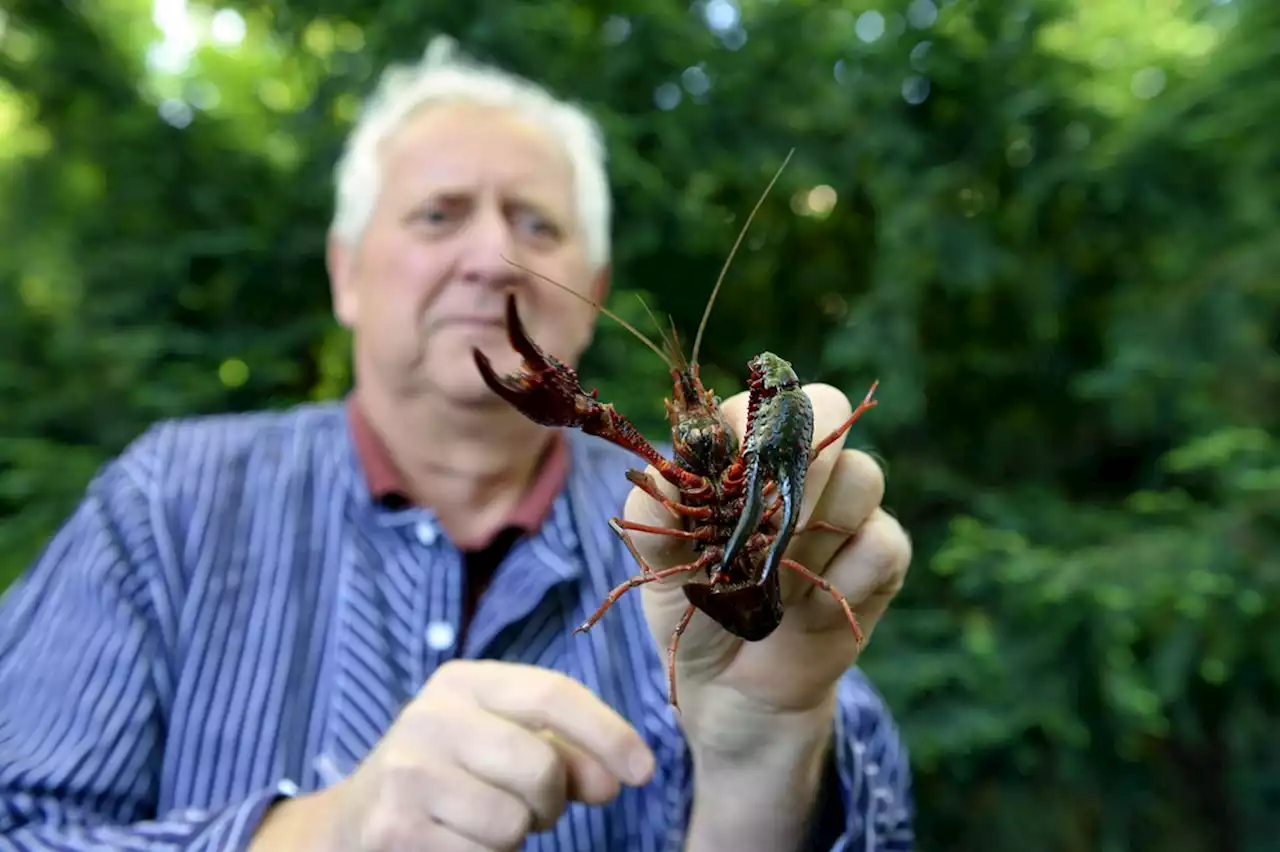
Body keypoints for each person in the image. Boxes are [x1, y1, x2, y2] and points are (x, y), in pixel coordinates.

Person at [0, 35, 914, 852]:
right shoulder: (165, 502)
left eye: (535, 223)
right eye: (438, 213)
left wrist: (767, 755)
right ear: (346, 273)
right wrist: (319, 835)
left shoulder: (659, 517)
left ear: (588, 287)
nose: (487, 256)